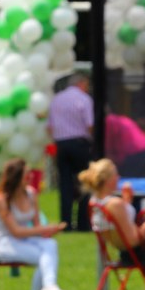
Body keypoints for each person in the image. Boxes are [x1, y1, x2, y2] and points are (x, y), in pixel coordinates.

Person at [0, 158, 67, 290]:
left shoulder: (31, 194)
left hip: (25, 240)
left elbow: (36, 226)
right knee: (43, 259)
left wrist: (51, 231)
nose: (31, 177)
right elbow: (15, 231)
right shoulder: (2, 199)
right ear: (16, 177)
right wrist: (46, 228)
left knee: (50, 245)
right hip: (4, 243)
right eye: (27, 174)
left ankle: (49, 286)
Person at [47, 73, 94, 231]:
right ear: (81, 83)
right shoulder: (84, 99)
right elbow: (90, 124)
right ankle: (83, 222)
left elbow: (50, 127)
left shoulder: (56, 100)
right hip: (80, 144)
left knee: (65, 185)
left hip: (61, 145)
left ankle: (66, 223)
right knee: (84, 183)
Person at [78, 158, 141, 257]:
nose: (118, 177)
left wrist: (126, 202)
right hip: (134, 253)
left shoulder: (95, 202)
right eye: (115, 175)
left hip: (121, 249)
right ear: (108, 180)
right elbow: (132, 240)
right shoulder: (115, 204)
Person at [104, 111, 145, 178]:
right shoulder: (124, 119)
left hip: (135, 154)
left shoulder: (108, 121)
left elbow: (108, 147)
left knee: (127, 182)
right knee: (138, 182)